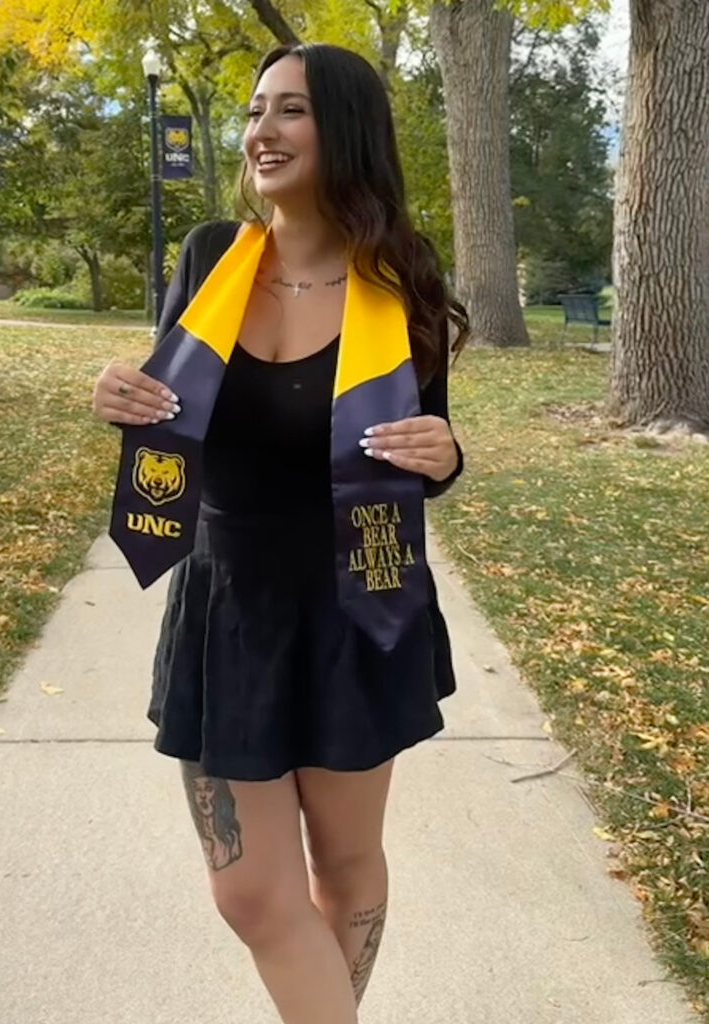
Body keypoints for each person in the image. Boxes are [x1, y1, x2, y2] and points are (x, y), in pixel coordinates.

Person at [92, 41, 467, 1024]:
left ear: (342, 129)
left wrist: (446, 454)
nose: (261, 131)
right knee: (250, 890)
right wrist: (123, 398)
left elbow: (420, 444)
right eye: (256, 110)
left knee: (345, 868)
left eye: (290, 110)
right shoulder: (212, 257)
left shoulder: (401, 276)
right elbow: (173, 409)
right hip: (232, 607)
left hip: (359, 603)